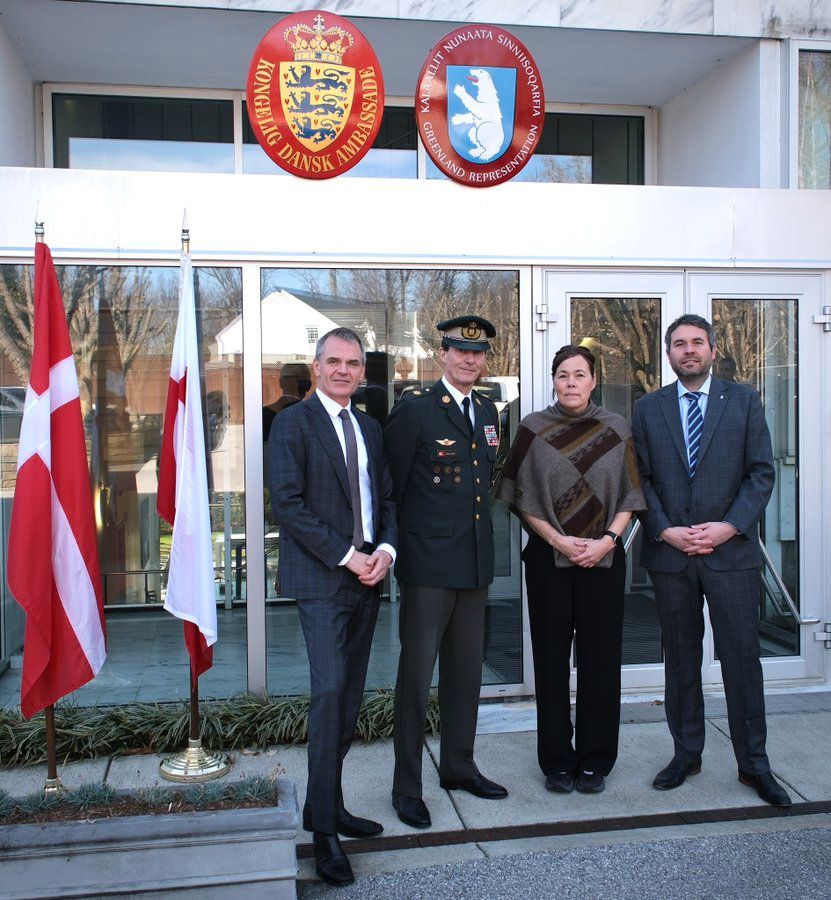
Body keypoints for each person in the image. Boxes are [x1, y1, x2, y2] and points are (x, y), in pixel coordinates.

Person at [630, 313, 791, 808]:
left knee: (742, 660)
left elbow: (761, 473)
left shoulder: (742, 400)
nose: (689, 351)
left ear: (713, 350)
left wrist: (729, 526)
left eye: (697, 342)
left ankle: (754, 765)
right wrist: (665, 530)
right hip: (672, 555)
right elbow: (642, 481)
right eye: (679, 344)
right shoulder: (648, 407)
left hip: (732, 553)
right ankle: (687, 753)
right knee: (680, 659)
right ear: (670, 354)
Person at [268, 327, 397, 885]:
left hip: (369, 576)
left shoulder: (369, 426)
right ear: (316, 367)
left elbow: (386, 498)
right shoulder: (293, 423)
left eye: (353, 363)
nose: (344, 370)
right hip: (325, 577)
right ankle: (322, 836)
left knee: (348, 699)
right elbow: (288, 506)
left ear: (362, 372)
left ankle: (328, 804)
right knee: (327, 696)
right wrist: (348, 556)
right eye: (334, 362)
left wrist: (385, 551)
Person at [496, 345, 644, 794]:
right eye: (564, 375)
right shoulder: (532, 429)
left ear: (594, 380)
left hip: (603, 558)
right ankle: (557, 761)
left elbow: (630, 498)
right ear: (554, 381)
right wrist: (558, 539)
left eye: (580, 374)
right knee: (551, 660)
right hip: (548, 559)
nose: (572, 382)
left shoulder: (616, 430)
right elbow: (518, 497)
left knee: (601, 661)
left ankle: (596, 760)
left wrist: (606, 541)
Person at [384, 315, 506, 829]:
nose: (469, 360)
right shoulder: (415, 411)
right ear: (442, 354)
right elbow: (390, 490)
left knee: (465, 676)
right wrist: (391, 552)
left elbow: (486, 486)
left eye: (477, 354)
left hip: (474, 564)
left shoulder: (487, 410)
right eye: (460, 351)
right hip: (428, 567)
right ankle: (406, 787)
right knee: (415, 680)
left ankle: (458, 765)